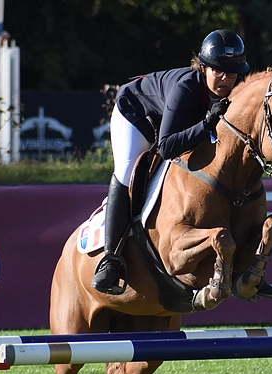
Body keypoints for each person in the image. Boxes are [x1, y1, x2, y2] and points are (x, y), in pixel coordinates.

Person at [92, 29, 249, 295]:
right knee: (127, 171)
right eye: (218, 72)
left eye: (232, 74)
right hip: (137, 114)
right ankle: (110, 259)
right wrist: (207, 123)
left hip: (174, 122)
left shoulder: (235, 89)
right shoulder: (187, 87)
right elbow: (166, 147)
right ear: (203, 67)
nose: (225, 79)